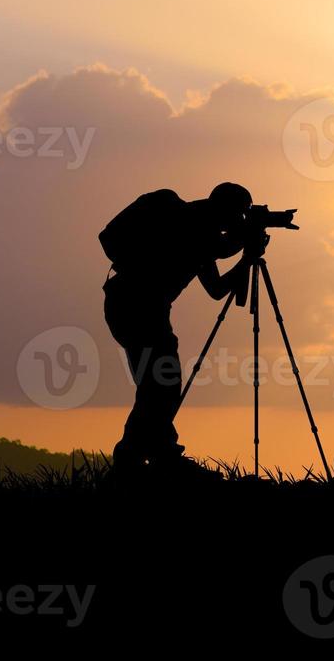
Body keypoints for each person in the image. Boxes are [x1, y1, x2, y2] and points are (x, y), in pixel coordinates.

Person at [99, 182, 266, 477]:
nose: (237, 224)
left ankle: (154, 456)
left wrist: (246, 258)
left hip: (138, 308)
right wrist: (245, 245)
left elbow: (216, 289)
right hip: (135, 307)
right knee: (160, 383)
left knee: (157, 385)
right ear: (223, 211)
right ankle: (136, 460)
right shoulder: (184, 221)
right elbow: (215, 246)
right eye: (237, 216)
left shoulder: (203, 234)